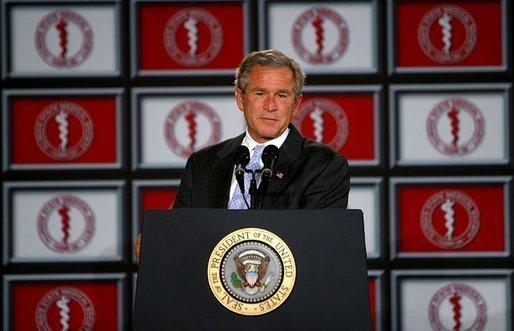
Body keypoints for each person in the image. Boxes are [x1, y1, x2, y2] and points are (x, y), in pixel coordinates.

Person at [134, 49, 349, 260]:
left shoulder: (323, 165)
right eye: (260, 93)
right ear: (240, 98)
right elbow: (182, 235)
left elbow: (317, 247)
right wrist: (159, 246)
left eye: (281, 95)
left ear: (296, 104)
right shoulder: (203, 164)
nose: (271, 106)